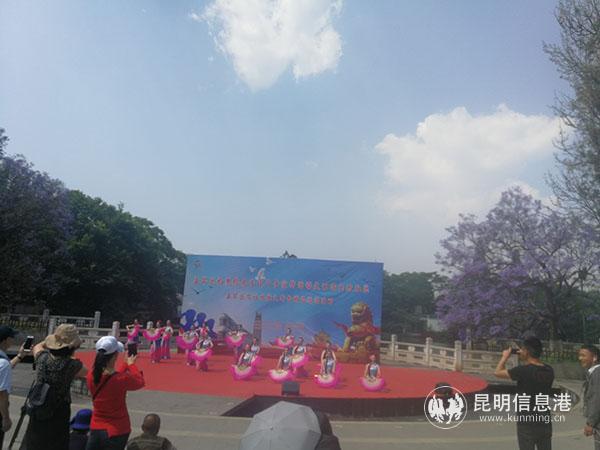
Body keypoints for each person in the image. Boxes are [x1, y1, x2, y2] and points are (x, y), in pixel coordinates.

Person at [20, 324, 86, 450]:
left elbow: (38, 346)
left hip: (39, 407)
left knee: (34, 443)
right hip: (59, 411)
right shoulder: (72, 365)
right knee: (56, 444)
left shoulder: (42, 358)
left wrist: (52, 341)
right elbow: (85, 372)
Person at [495, 336, 554, 450]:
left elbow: (497, 372)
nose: (520, 351)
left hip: (527, 422)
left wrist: (505, 356)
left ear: (527, 352)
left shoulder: (523, 370)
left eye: (522, 349)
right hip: (544, 420)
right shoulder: (549, 370)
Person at [86, 336, 145, 450]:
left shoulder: (91, 376)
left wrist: (125, 365)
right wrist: (131, 364)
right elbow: (140, 382)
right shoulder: (121, 379)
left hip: (96, 426)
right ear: (115, 356)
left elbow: (111, 379)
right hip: (117, 428)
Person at [0, 326, 26, 449]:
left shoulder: (3, 363)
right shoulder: (3, 363)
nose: (13, 340)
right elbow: (2, 395)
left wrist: (20, 356)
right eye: (11, 338)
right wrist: (6, 418)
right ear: (5, 340)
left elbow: (5, 368)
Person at [578, 344, 600, 449]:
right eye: (579, 355)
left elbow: (596, 399)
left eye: (583, 355)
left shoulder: (597, 374)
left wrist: (590, 424)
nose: (580, 358)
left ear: (594, 357)